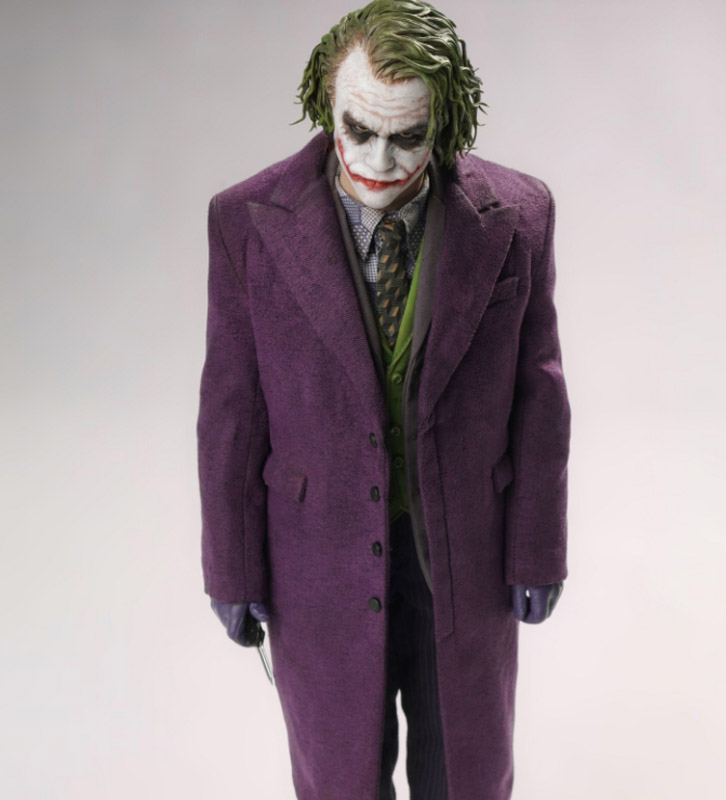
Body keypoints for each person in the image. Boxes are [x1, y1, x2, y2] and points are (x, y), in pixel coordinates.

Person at [197, 1, 570, 797]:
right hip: (316, 562)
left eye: (409, 136)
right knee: (339, 775)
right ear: (325, 106)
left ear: (446, 123)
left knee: (465, 772)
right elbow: (231, 412)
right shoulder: (246, 223)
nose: (379, 160)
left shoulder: (518, 218)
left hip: (464, 558)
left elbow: (539, 397)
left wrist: (538, 547)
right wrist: (231, 567)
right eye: (359, 130)